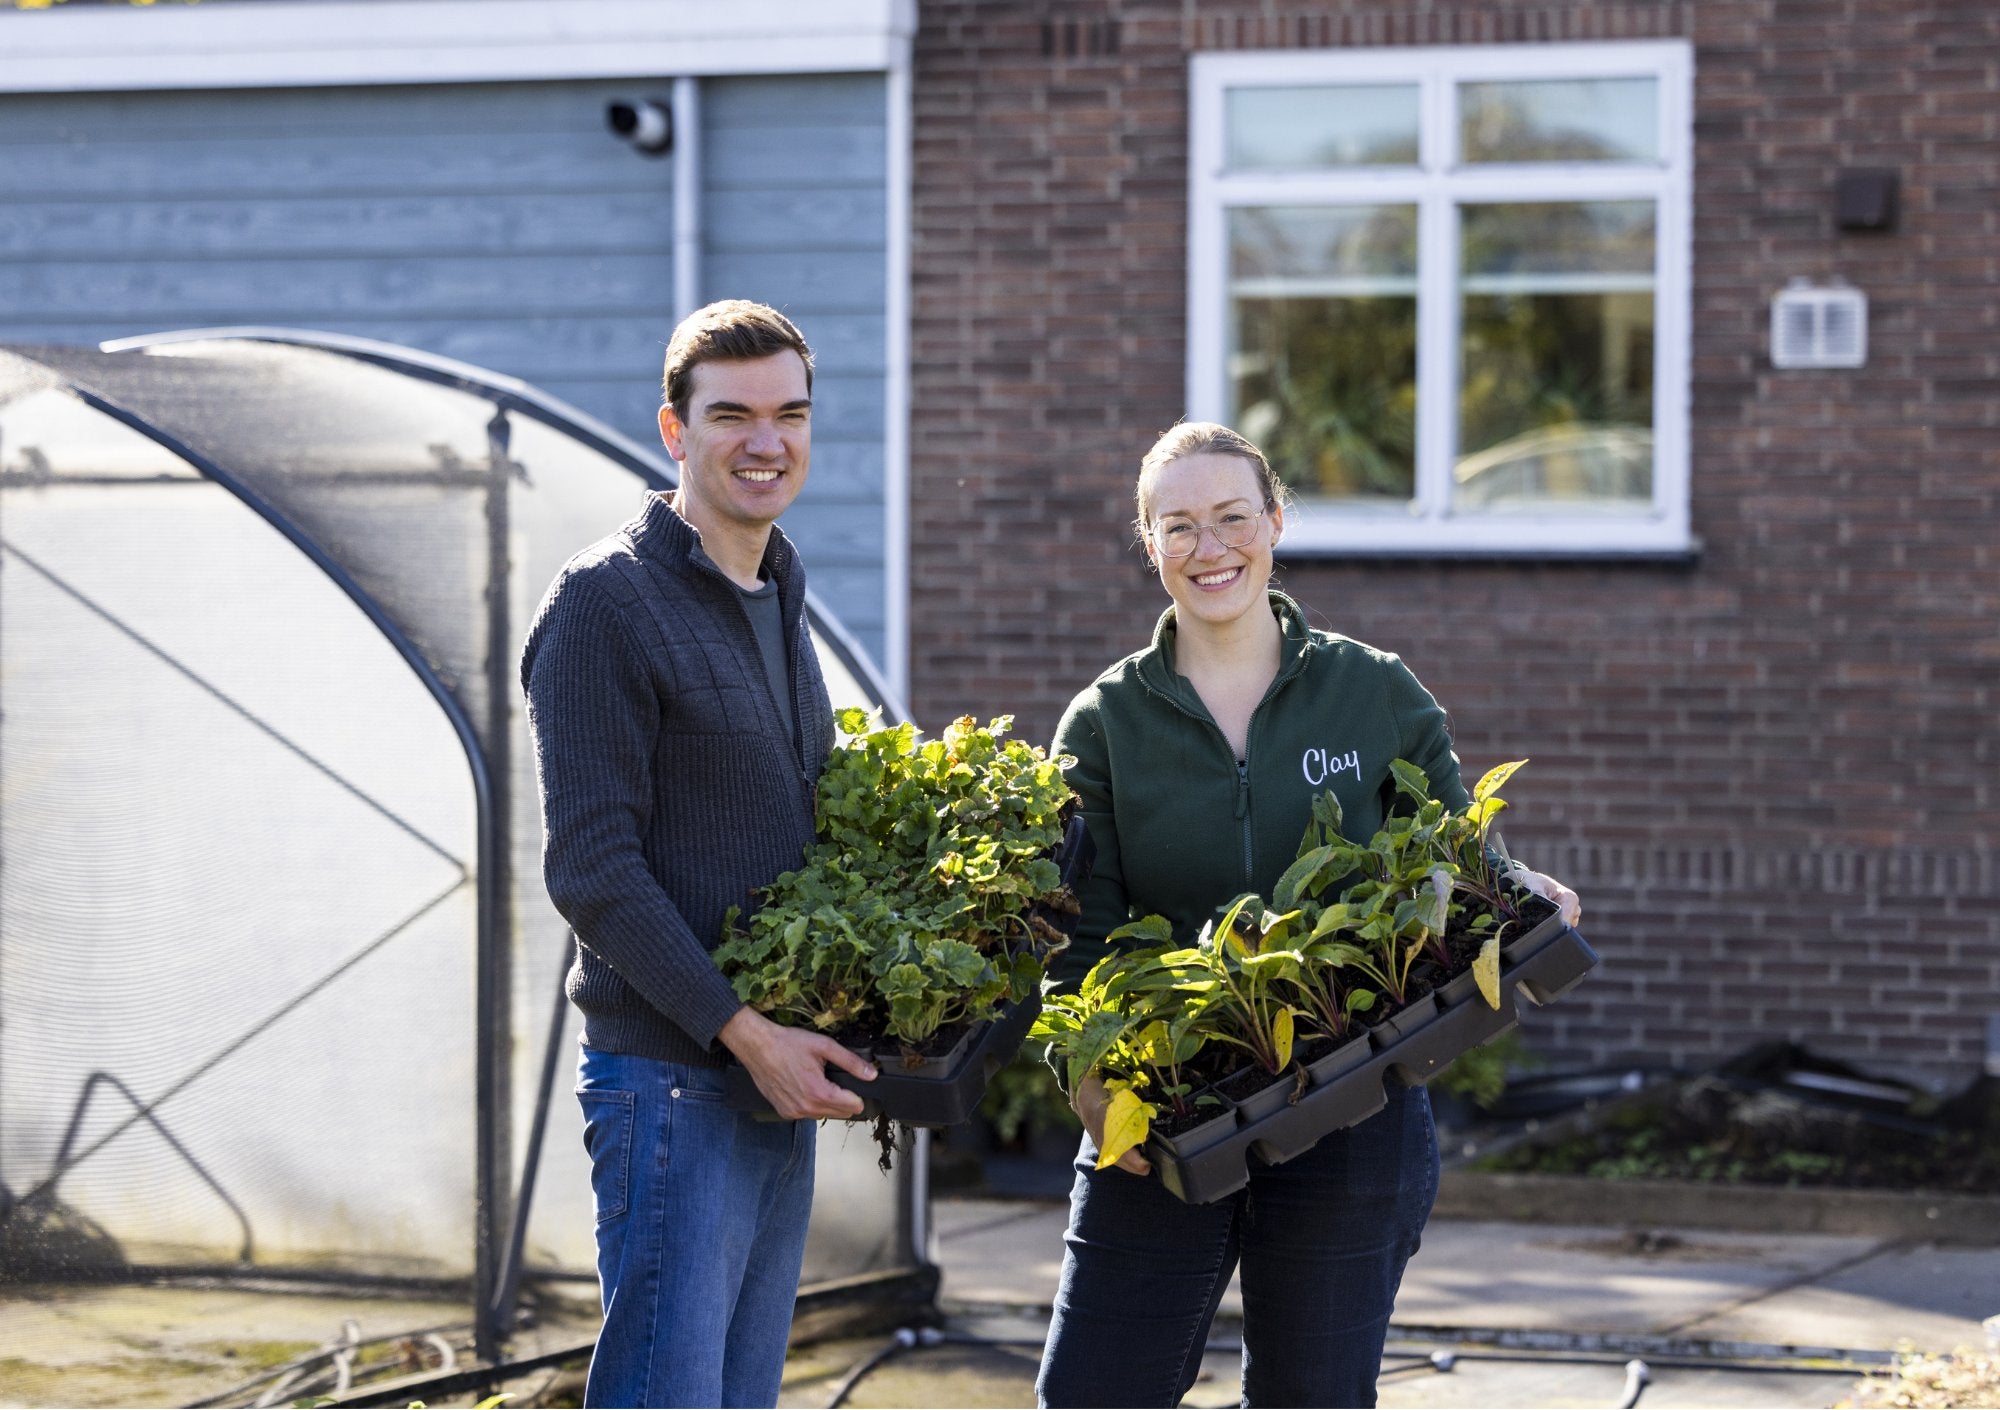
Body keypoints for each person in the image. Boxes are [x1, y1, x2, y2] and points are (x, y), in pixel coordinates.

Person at [1035, 422, 1580, 1409]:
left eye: (1231, 518)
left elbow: (1447, 860)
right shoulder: (1104, 724)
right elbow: (1079, 937)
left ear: (1275, 522)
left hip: (1351, 1107)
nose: (1210, 549)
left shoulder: (1370, 694)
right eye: (1179, 527)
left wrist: (1517, 891)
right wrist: (1087, 1081)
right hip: (1160, 1113)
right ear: (1148, 544)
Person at [521, 300, 877, 1409]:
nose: (764, 442)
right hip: (671, 1085)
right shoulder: (605, 603)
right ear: (675, 431)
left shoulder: (779, 590)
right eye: (731, 416)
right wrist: (741, 1030)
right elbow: (592, 867)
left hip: (769, 1080)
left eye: (789, 414)